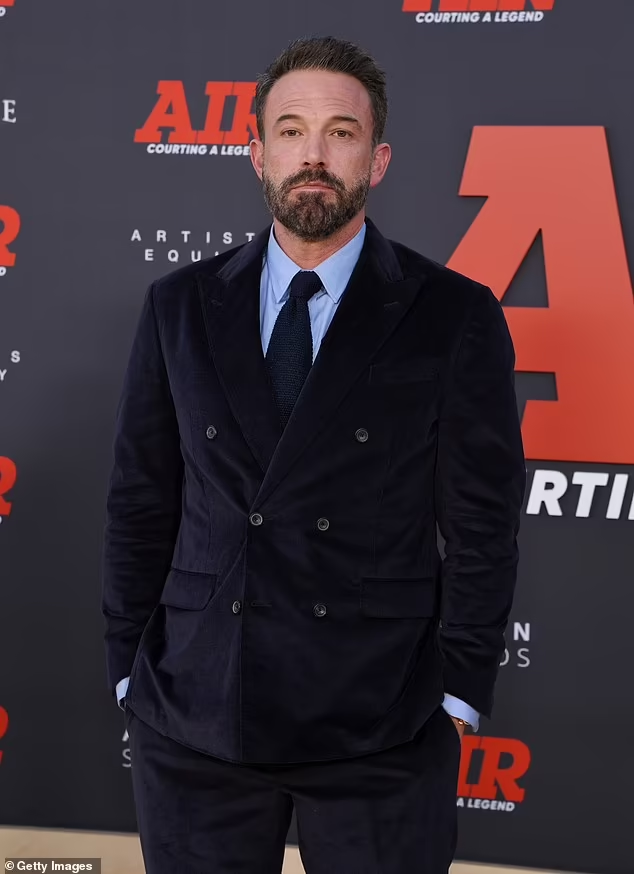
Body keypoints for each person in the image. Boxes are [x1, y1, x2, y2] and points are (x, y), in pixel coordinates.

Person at [101, 35, 526, 874]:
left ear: (378, 159)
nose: (315, 156)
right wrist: (129, 671)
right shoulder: (179, 306)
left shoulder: (451, 313)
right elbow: (140, 500)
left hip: (381, 722)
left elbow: (483, 523)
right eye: (291, 131)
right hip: (197, 715)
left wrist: (458, 692)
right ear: (257, 153)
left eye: (341, 132)